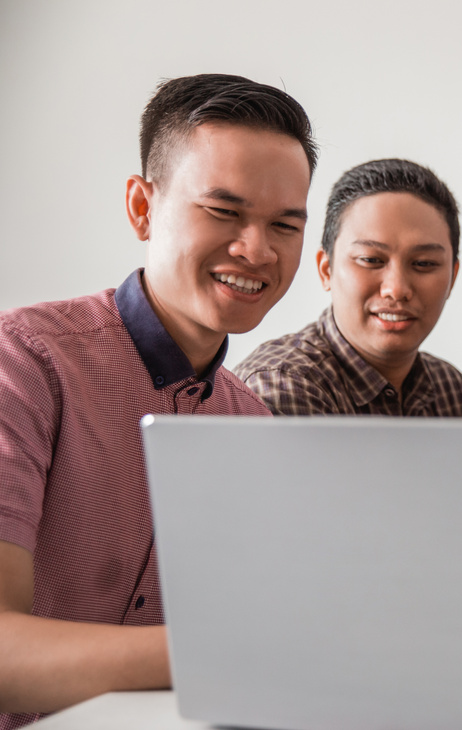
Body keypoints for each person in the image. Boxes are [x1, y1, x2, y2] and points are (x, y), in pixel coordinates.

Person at [0, 74, 317, 728]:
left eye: (284, 224)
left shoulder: (252, 422)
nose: (256, 250)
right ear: (143, 207)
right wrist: (228, 655)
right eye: (224, 212)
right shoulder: (26, 360)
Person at [235, 159, 462, 419]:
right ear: (326, 270)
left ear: (452, 277)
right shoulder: (283, 385)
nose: (396, 289)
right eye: (371, 260)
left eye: (423, 263)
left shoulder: (458, 396)